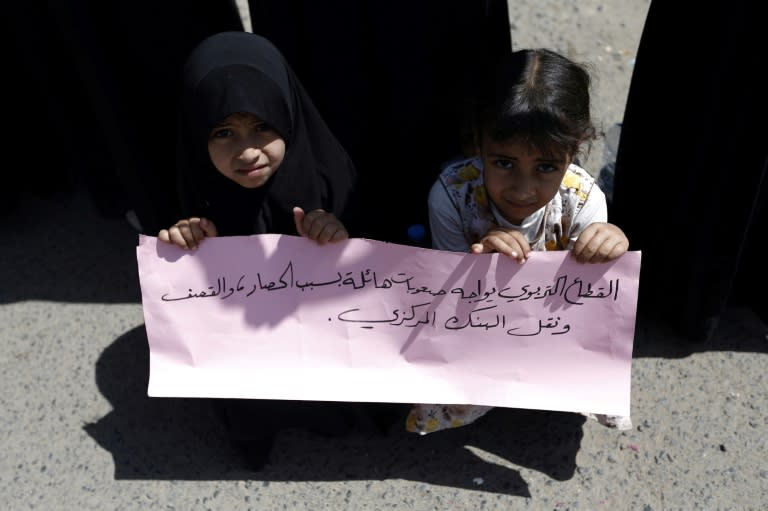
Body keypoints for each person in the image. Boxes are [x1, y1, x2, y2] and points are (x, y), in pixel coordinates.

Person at [157, 31, 383, 470]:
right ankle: (254, 430)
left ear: (288, 114)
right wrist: (185, 240)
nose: (247, 151)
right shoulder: (196, 189)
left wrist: (339, 234)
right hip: (246, 345)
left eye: (262, 126)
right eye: (223, 132)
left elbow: (377, 269)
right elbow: (190, 292)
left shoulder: (330, 176)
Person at [405, 48, 632, 435]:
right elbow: (443, 292)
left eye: (546, 167)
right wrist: (478, 264)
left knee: (579, 372)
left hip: (551, 325)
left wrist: (610, 243)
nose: (523, 190)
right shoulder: (451, 195)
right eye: (504, 163)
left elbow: (591, 300)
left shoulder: (583, 199)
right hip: (479, 326)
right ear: (478, 144)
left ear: (573, 151)